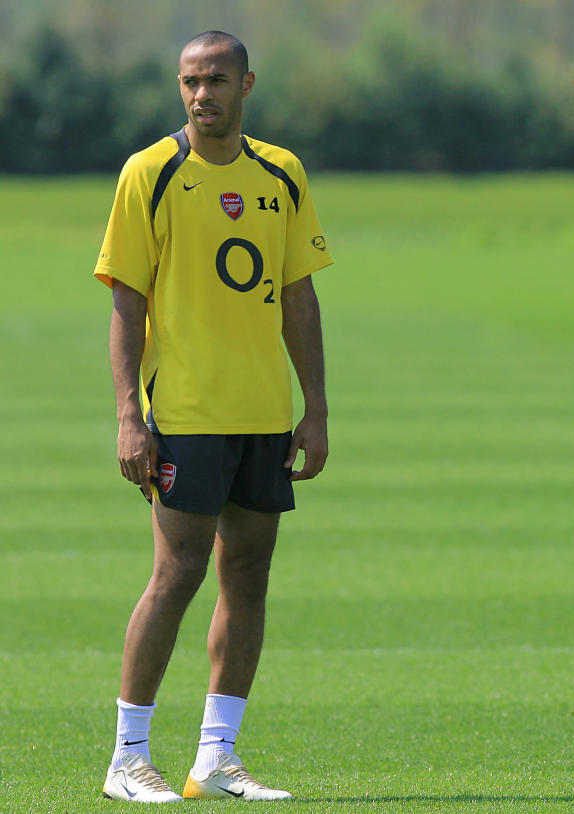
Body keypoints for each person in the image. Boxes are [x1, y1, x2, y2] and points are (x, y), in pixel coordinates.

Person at [95, 30, 333, 803]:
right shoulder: (150, 173)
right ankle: (127, 758)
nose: (203, 95)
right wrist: (130, 414)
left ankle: (215, 760)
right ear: (180, 87)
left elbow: (299, 295)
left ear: (247, 84)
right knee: (177, 574)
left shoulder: (282, 174)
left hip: (262, 412)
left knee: (249, 575)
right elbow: (126, 300)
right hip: (186, 411)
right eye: (191, 82)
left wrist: (315, 409)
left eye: (217, 80)